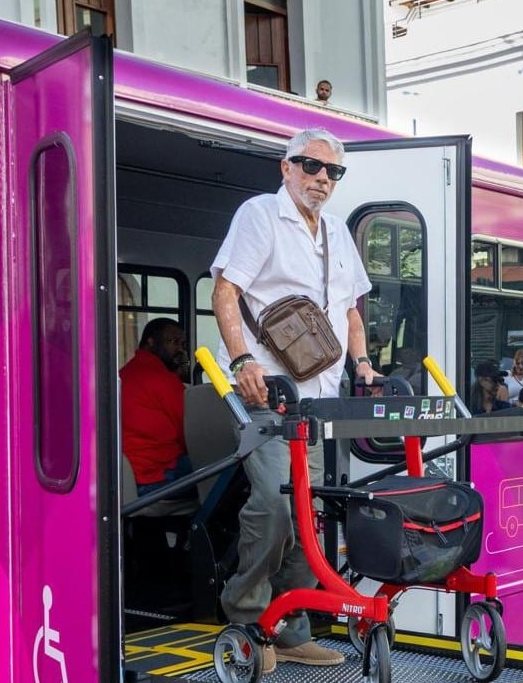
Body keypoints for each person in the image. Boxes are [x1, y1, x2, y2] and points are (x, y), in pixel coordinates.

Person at [210, 127, 376, 671]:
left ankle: (291, 625)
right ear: (286, 167)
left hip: (322, 400)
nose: (322, 179)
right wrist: (240, 360)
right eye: (310, 167)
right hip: (269, 397)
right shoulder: (261, 215)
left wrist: (364, 365)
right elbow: (225, 289)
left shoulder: (336, 232)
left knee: (314, 514)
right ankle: (246, 614)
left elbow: (350, 308)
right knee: (277, 506)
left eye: (332, 172)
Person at [120, 318, 192, 497]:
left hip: (127, 476)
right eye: (172, 342)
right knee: (230, 471)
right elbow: (190, 435)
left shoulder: (125, 373)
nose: (180, 349)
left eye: (182, 343)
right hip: (157, 476)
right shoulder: (163, 381)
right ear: (151, 342)